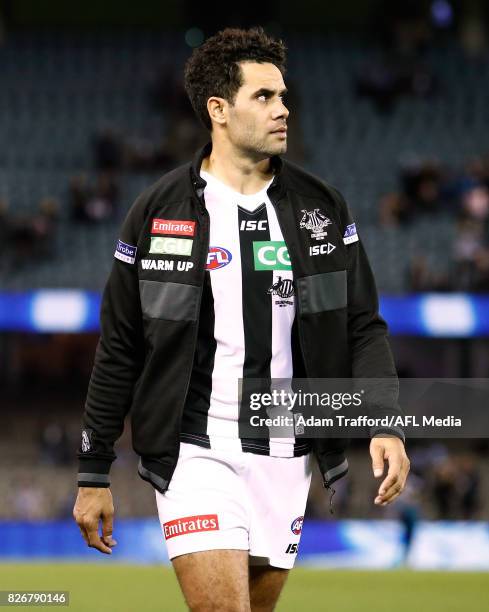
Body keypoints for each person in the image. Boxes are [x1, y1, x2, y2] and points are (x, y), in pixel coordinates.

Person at [73, 27, 410, 611]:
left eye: (283, 96)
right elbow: (122, 345)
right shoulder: (157, 214)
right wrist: (92, 470)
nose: (283, 109)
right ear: (218, 110)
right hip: (195, 451)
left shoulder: (322, 210)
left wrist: (384, 421)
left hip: (288, 456)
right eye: (264, 97)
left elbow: (363, 326)